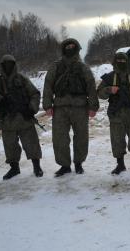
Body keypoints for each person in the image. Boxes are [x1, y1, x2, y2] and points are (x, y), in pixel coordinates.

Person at [43, 38, 99, 177]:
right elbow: (48, 85)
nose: (70, 48)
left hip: (80, 107)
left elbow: (91, 86)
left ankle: (78, 163)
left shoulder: (83, 67)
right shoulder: (55, 66)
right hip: (60, 108)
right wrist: (47, 105)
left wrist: (93, 106)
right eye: (67, 46)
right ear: (63, 49)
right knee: (60, 138)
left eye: (73, 46)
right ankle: (65, 165)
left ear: (77, 48)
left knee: (81, 136)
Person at [0, 55, 43, 179]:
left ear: (14, 64)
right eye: (5, 64)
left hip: (24, 118)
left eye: (10, 63)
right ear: (2, 66)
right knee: (10, 146)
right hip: (7, 119)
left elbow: (34, 93)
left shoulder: (22, 79)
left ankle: (37, 166)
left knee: (31, 143)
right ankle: (14, 168)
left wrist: (31, 108)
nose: (8, 66)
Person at [97, 52, 130, 175]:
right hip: (116, 115)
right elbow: (99, 93)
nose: (121, 63)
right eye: (118, 61)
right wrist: (110, 89)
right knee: (117, 141)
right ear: (115, 62)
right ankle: (120, 165)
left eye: (123, 61)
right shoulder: (109, 77)